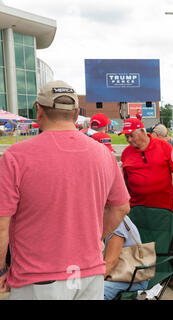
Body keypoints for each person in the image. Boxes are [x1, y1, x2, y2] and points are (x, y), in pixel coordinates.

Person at [0, 81, 130, 299]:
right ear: (76, 113)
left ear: (38, 111)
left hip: (38, 276)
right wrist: (94, 238)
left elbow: (2, 224)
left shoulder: (16, 157)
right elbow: (121, 208)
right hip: (89, 273)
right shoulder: (103, 154)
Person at [120, 118, 173, 212]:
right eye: (126, 136)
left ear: (142, 131)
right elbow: (125, 179)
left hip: (163, 206)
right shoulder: (126, 153)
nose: (128, 139)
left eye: (131, 136)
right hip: (136, 206)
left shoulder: (164, 146)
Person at [103, 216, 149, 300]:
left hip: (133, 279)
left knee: (91, 290)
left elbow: (110, 263)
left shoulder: (116, 224)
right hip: (116, 274)